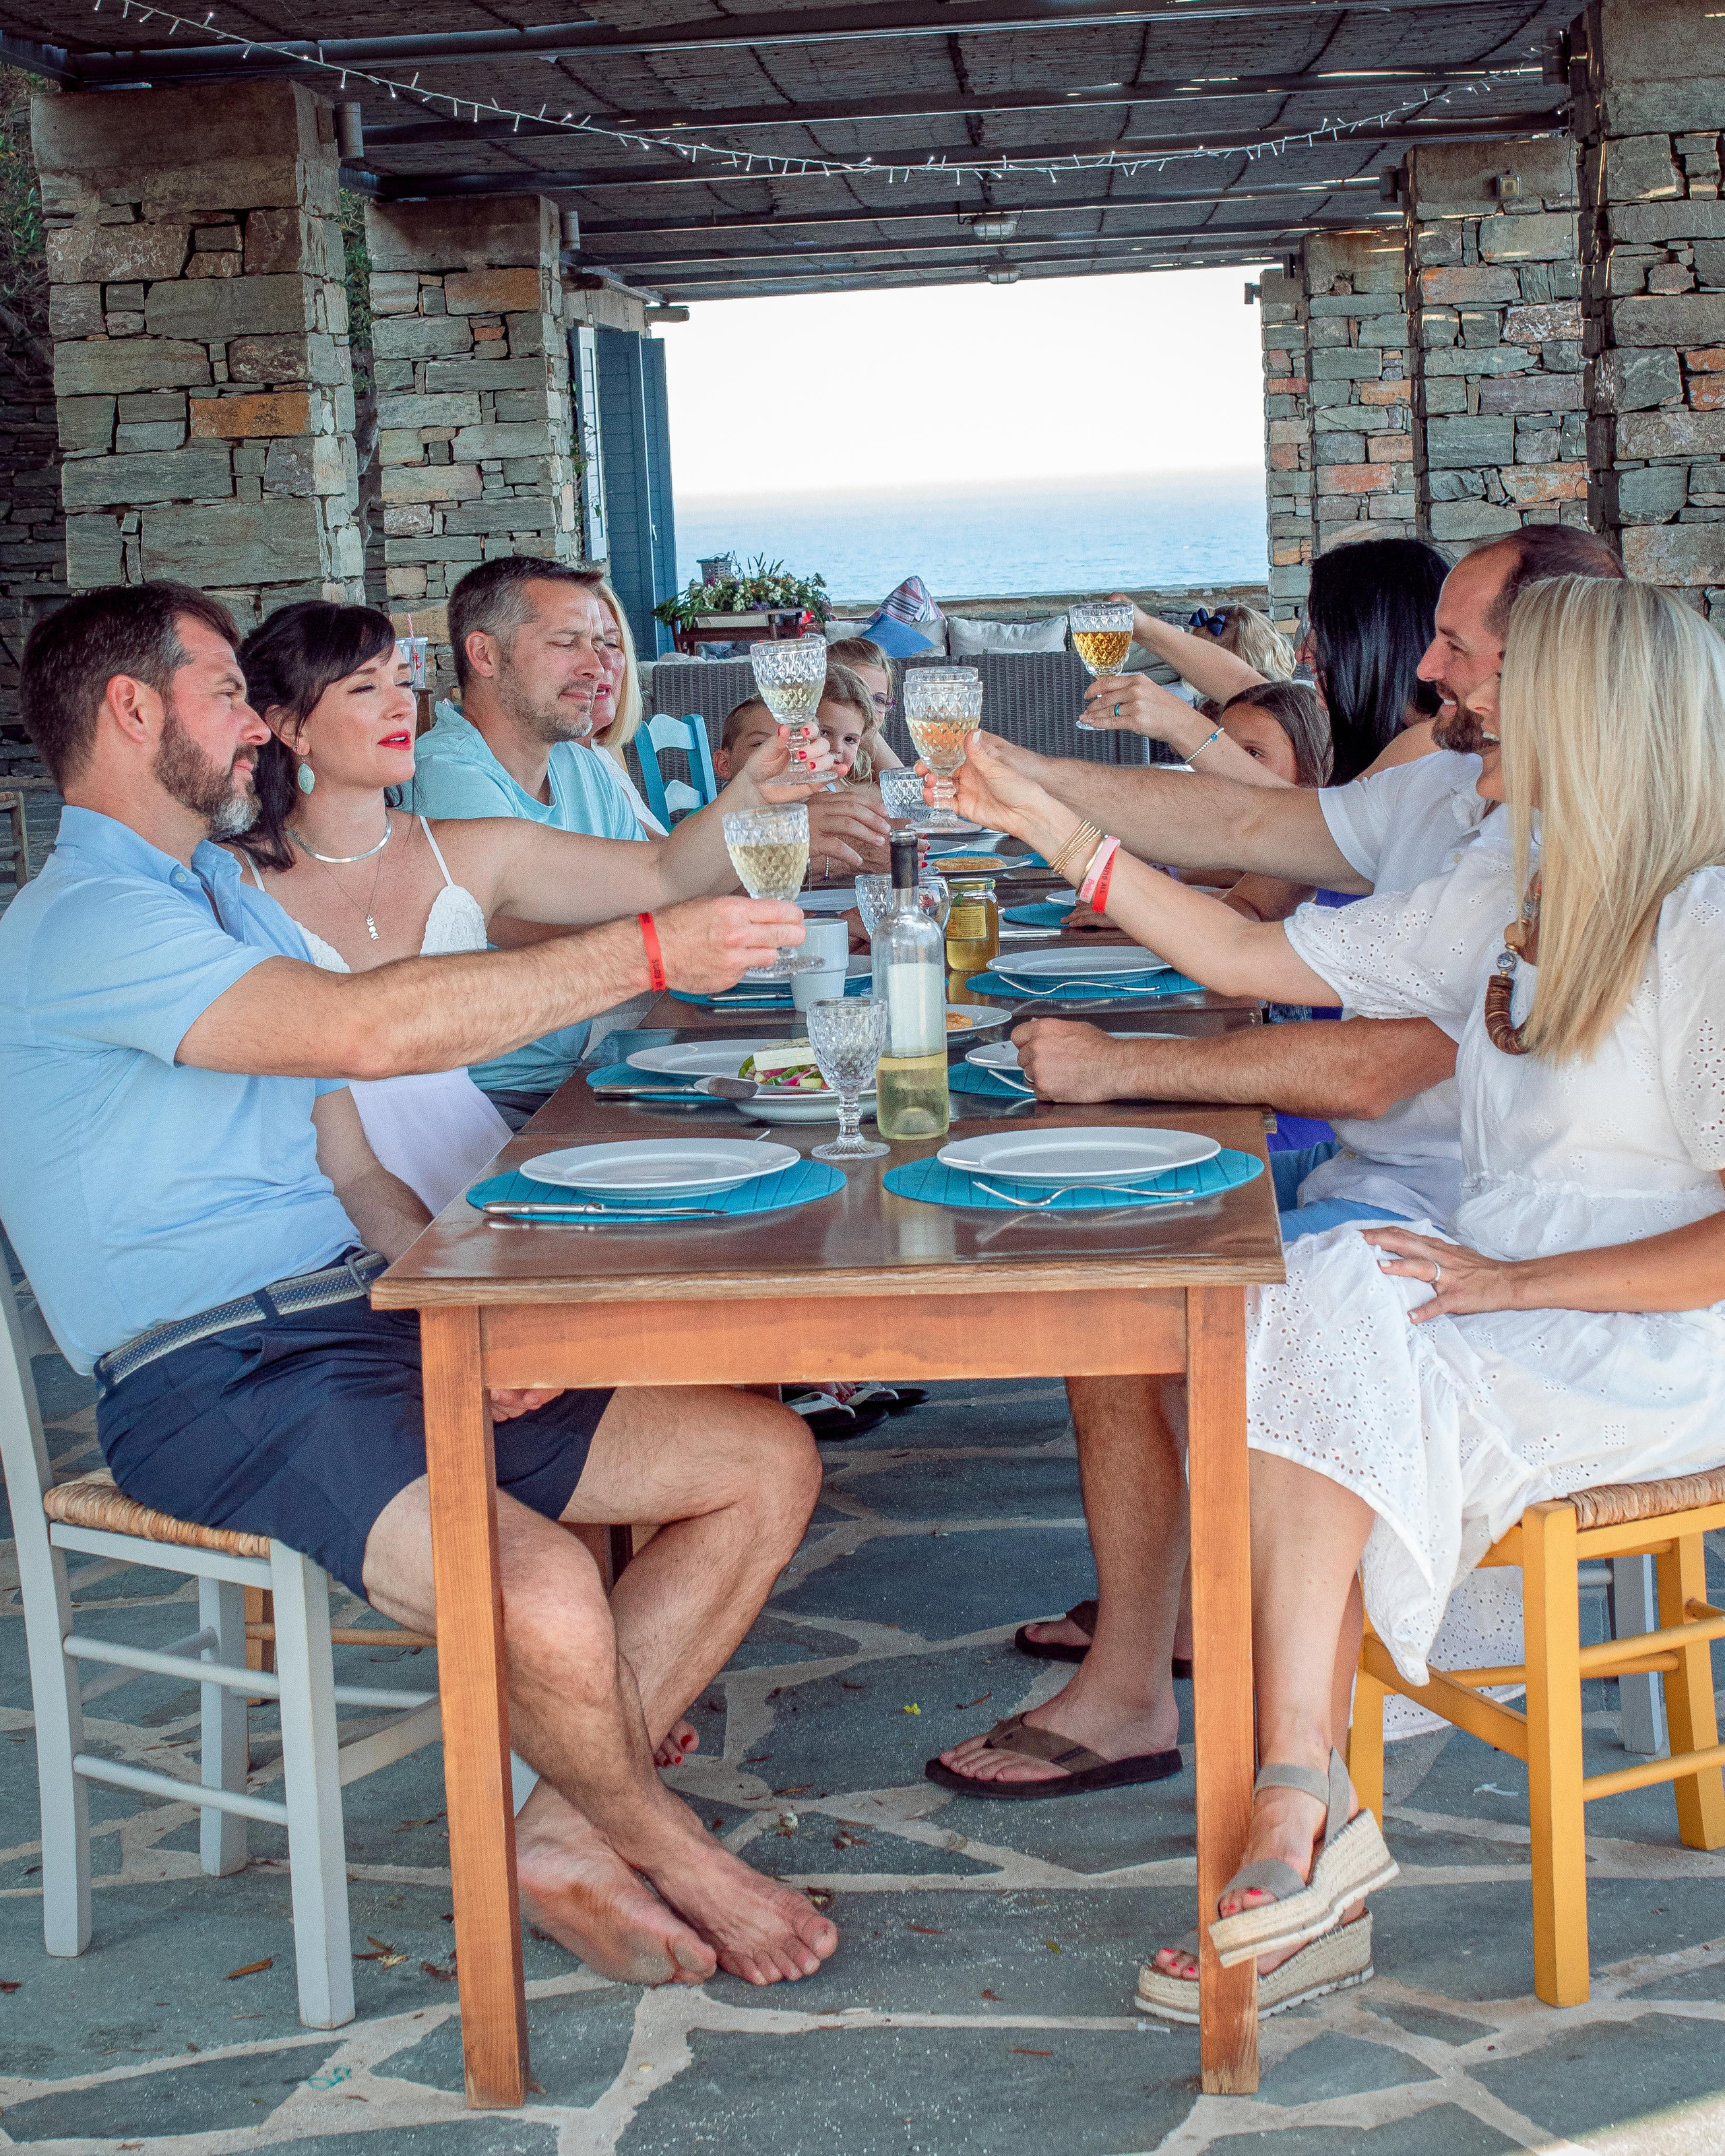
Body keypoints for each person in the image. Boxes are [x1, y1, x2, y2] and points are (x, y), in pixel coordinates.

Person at [0, 581, 840, 1991]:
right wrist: (642, 956)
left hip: (354, 1315)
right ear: (132, 712)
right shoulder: (87, 920)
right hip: (210, 1373)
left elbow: (344, 1150)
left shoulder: (208, 890)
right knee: (547, 1588)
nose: (255, 729)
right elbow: (365, 1031)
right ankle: (674, 1848)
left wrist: (454, 1300)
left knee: (760, 1459)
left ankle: (565, 1831)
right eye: (226, 695)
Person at [942, 575, 1725, 2018]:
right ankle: (1300, 1799)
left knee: (1317, 1317)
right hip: (1495, 1277)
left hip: (1654, 1328)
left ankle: (1299, 1817)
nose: (1451, 698)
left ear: (1593, 715)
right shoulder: (1516, 876)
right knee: (1304, 1290)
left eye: (1490, 679)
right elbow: (1245, 954)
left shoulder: (1707, 918)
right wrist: (1046, 820)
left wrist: (1513, 1281)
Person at [939, 525, 1625, 1757]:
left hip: (1460, 1222)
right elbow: (1248, 830)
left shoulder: (1549, 852)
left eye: (1458, 644)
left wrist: (1118, 1059)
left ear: (1558, 667)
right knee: (1122, 1279)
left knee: (1129, 1295)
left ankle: (1203, 1692)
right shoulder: (1446, 785)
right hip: (1403, 1198)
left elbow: (1349, 1045)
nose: (1426, 670)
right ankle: (1164, 1663)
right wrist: (1021, 770)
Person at [409, 557, 889, 1123]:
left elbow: (663, 875)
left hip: (601, 1059)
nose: (598, 666)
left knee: (850, 1086)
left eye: (602, 643)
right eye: (569, 643)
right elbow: (522, 930)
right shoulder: (450, 775)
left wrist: (760, 797)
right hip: (505, 1098)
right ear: (484, 655)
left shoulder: (576, 762)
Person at [1092, 538, 1451, 785]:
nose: (1302, 653)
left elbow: (1312, 835)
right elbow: (1250, 690)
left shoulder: (1428, 748)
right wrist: (1142, 626)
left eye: (1320, 630)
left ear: (1375, 639)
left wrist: (1183, 727)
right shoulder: (1382, 728)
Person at [825, 634, 906, 774]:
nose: (867, 707)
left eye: (879, 700)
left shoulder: (866, 761)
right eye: (857, 693)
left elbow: (904, 788)